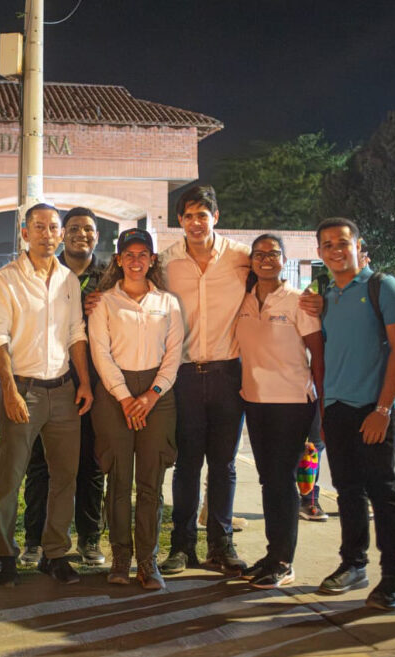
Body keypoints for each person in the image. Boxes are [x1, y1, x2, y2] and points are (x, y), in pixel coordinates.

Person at [0, 203, 93, 586]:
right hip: (22, 389)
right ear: (24, 233)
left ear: (61, 234)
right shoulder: (4, 280)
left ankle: (55, 553)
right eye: (39, 227)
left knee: (66, 476)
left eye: (53, 228)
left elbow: (77, 333)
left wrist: (85, 384)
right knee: (10, 476)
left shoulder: (69, 282)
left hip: (63, 390)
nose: (47, 234)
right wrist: (9, 389)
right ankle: (4, 555)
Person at [314, 217, 395, 611]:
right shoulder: (328, 296)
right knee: (348, 492)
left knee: (383, 493)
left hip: (374, 410)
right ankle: (354, 564)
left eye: (342, 242)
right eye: (327, 245)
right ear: (320, 253)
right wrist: (324, 408)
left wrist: (384, 409)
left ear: (358, 245)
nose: (336, 250)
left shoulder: (383, 288)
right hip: (337, 409)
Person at [158, 185, 250, 575]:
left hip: (230, 373)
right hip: (185, 375)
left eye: (203, 214)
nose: (196, 222)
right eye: (189, 216)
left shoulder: (241, 258)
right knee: (187, 465)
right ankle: (182, 546)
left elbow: (273, 284)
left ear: (217, 216)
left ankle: (221, 545)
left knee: (225, 465)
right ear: (179, 221)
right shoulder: (165, 263)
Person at [88, 228, 183, 590]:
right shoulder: (104, 303)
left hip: (159, 397)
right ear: (118, 260)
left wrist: (152, 394)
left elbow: (174, 355)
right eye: (129, 254)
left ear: (153, 259)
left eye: (143, 254)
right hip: (115, 396)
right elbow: (101, 352)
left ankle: (148, 561)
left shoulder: (167, 303)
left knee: (150, 482)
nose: (136, 260)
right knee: (118, 481)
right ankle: (120, 558)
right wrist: (126, 397)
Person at [236, 234, 324, 589]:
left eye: (273, 254)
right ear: (252, 261)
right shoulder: (242, 300)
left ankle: (284, 562)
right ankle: (273, 554)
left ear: (284, 260)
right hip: (255, 401)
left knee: (282, 480)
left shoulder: (299, 301)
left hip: (292, 403)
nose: (266, 259)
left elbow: (318, 354)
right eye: (259, 254)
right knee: (268, 479)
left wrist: (324, 404)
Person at [22, 207, 106, 566]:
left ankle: (89, 538)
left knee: (91, 462)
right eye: (73, 228)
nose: (80, 235)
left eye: (88, 229)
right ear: (61, 235)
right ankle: (34, 539)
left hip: (95, 381)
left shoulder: (109, 278)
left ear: (97, 236)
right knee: (40, 465)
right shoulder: (45, 273)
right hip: (49, 378)